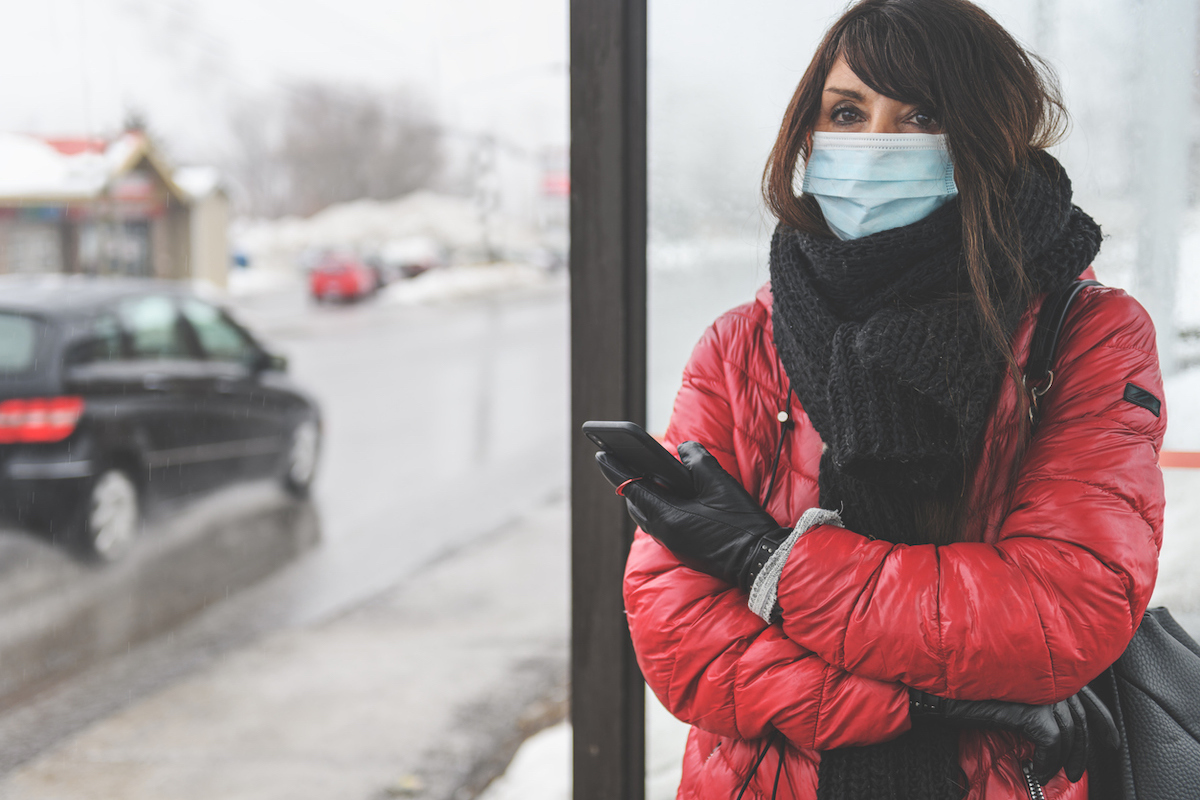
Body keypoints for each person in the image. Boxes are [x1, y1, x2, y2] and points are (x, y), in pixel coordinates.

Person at [596, 0, 1167, 798]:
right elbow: (680, 636)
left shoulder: (1085, 335)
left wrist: (766, 562)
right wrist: (929, 700)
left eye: (919, 115)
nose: (872, 143)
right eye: (846, 111)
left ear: (985, 138)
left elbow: (1058, 611)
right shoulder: (742, 345)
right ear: (807, 129)